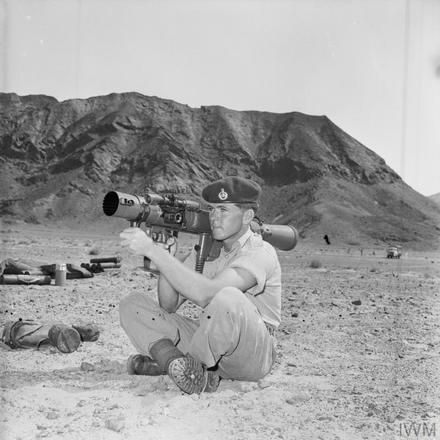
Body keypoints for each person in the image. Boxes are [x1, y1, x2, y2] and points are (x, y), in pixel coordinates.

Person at [119, 176, 282, 395]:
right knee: (133, 304)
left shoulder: (260, 252)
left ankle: (186, 368)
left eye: (223, 210)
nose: (215, 217)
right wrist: (166, 259)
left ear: (247, 216)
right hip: (214, 345)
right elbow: (168, 305)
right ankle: (177, 365)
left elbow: (208, 295)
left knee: (227, 297)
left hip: (252, 352)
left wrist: (151, 250)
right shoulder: (209, 250)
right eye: (212, 210)